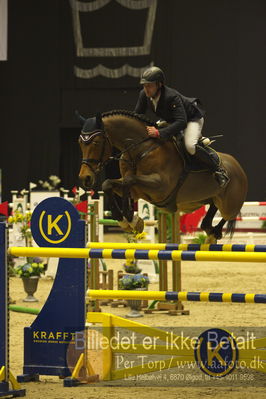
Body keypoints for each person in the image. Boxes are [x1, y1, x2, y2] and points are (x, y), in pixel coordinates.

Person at [134, 66, 229, 188]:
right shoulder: (144, 95)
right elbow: (137, 115)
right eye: (144, 85)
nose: (146, 89)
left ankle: (218, 170)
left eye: (150, 85)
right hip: (172, 119)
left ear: (159, 84)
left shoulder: (171, 96)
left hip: (191, 118)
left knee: (189, 146)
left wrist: (159, 133)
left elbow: (181, 122)